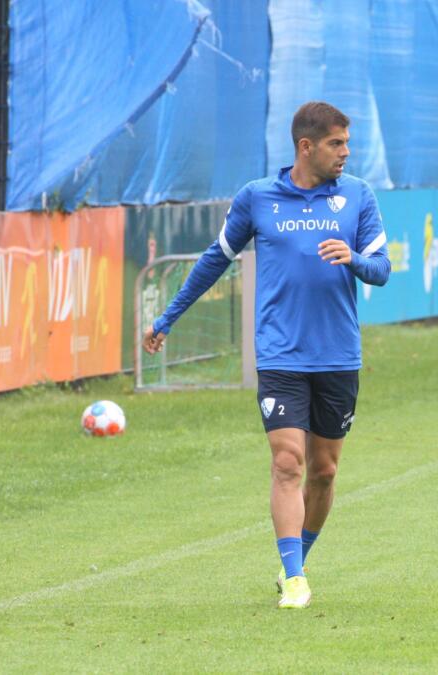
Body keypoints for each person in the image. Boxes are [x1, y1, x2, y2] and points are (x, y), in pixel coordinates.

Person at [143, 101, 390, 609]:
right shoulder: (259, 198)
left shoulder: (357, 197)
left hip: (338, 356)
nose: (347, 152)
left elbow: (383, 268)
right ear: (307, 146)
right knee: (287, 461)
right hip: (280, 355)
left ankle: (293, 560)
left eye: (347, 143)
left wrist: (356, 259)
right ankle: (296, 580)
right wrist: (168, 317)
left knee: (324, 470)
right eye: (336, 144)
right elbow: (216, 261)